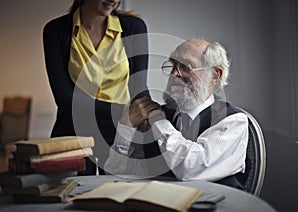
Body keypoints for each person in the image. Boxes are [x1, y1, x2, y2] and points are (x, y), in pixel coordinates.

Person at [104, 38, 249, 189]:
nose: (174, 73)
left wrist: (157, 119)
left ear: (215, 75)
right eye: (173, 65)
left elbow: (190, 169)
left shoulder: (234, 122)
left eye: (185, 66)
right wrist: (126, 126)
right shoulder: (157, 117)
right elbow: (117, 176)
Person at [43, 0, 150, 175]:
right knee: (71, 195)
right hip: (74, 133)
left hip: (120, 134)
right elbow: (64, 98)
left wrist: (149, 113)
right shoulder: (55, 30)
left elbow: (139, 86)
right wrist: (125, 112)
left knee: (116, 195)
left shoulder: (134, 27)